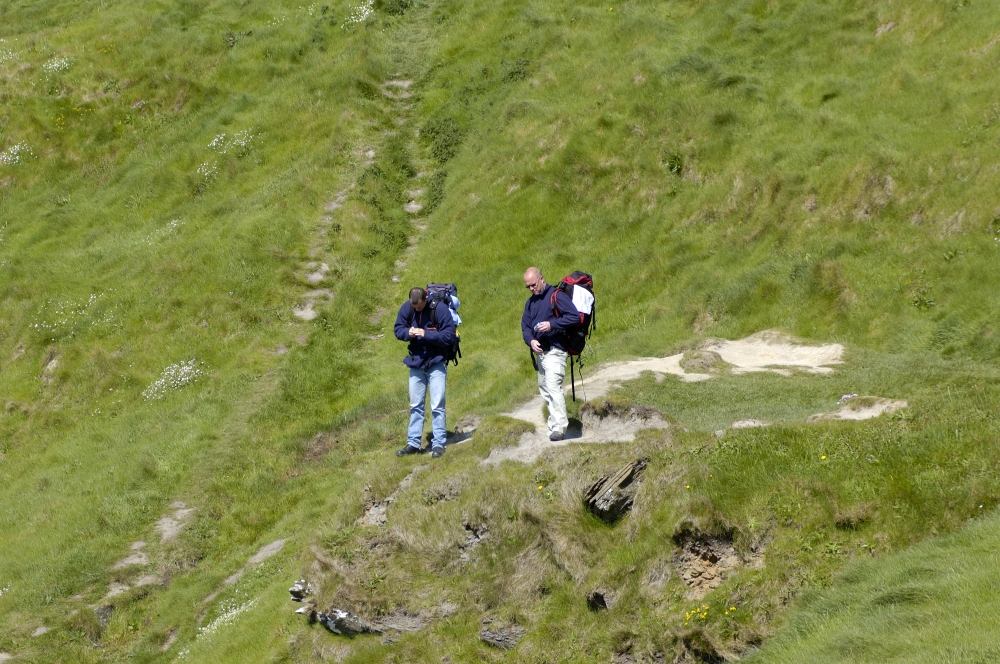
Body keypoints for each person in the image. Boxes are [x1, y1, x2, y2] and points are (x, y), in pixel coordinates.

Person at [394, 287, 456, 458]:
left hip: (436, 361)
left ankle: (438, 444)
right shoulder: (408, 308)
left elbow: (449, 336)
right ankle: (413, 443)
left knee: (437, 405)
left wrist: (425, 334)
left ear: (426, 298)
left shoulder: (439, 309)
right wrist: (408, 333)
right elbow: (397, 329)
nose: (417, 309)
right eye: (415, 307)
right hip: (416, 363)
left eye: (420, 307)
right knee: (415, 406)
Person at [521, 267, 579, 441]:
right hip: (541, 352)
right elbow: (525, 326)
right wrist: (531, 341)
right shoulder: (530, 303)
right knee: (545, 389)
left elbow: (574, 317)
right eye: (528, 287)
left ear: (541, 279)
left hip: (556, 349)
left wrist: (552, 325)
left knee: (553, 386)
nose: (531, 289)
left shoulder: (557, 295)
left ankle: (560, 428)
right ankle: (554, 425)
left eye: (533, 285)